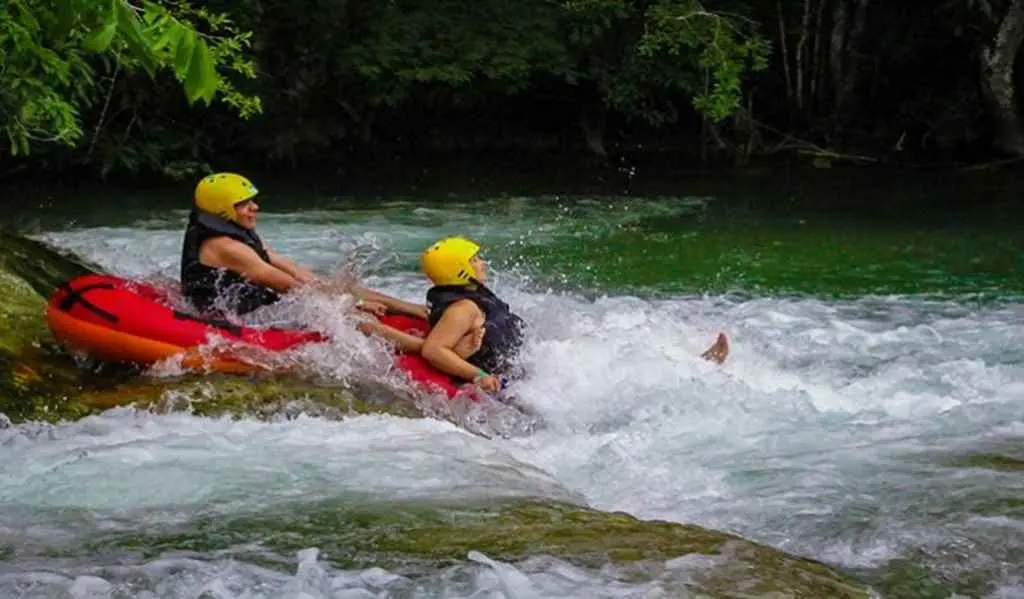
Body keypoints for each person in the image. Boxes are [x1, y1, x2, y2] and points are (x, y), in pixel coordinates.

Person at [179, 172, 480, 356]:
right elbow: (290, 286)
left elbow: (296, 271)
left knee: (340, 287)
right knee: (337, 312)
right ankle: (427, 350)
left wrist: (348, 291)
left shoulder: (239, 235)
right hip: (235, 317)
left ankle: (414, 310)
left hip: (254, 302)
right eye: (245, 203)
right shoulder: (226, 247)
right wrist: (353, 303)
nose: (255, 207)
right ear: (222, 209)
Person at [417, 236, 730, 393]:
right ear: (459, 270)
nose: (482, 262)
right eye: (474, 260)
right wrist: (480, 376)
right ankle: (692, 371)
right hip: (514, 379)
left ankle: (689, 366)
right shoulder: (463, 308)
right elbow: (433, 349)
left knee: (604, 353)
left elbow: (433, 323)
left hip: (527, 363)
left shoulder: (463, 300)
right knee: (604, 379)